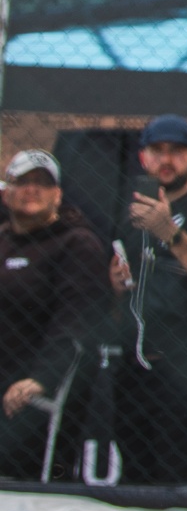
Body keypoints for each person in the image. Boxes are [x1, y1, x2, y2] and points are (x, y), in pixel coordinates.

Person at [109, 115, 187, 484]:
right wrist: (117, 283)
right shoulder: (133, 211)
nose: (166, 160)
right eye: (157, 151)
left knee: (176, 466)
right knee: (134, 468)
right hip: (135, 358)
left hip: (185, 361)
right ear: (143, 158)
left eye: (176, 151)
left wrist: (169, 232)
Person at [0, 149, 107, 480]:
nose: (32, 189)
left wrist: (42, 378)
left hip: (33, 392)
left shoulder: (77, 244)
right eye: (23, 182)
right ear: (6, 192)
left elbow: (76, 320)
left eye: (42, 183)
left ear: (57, 195)